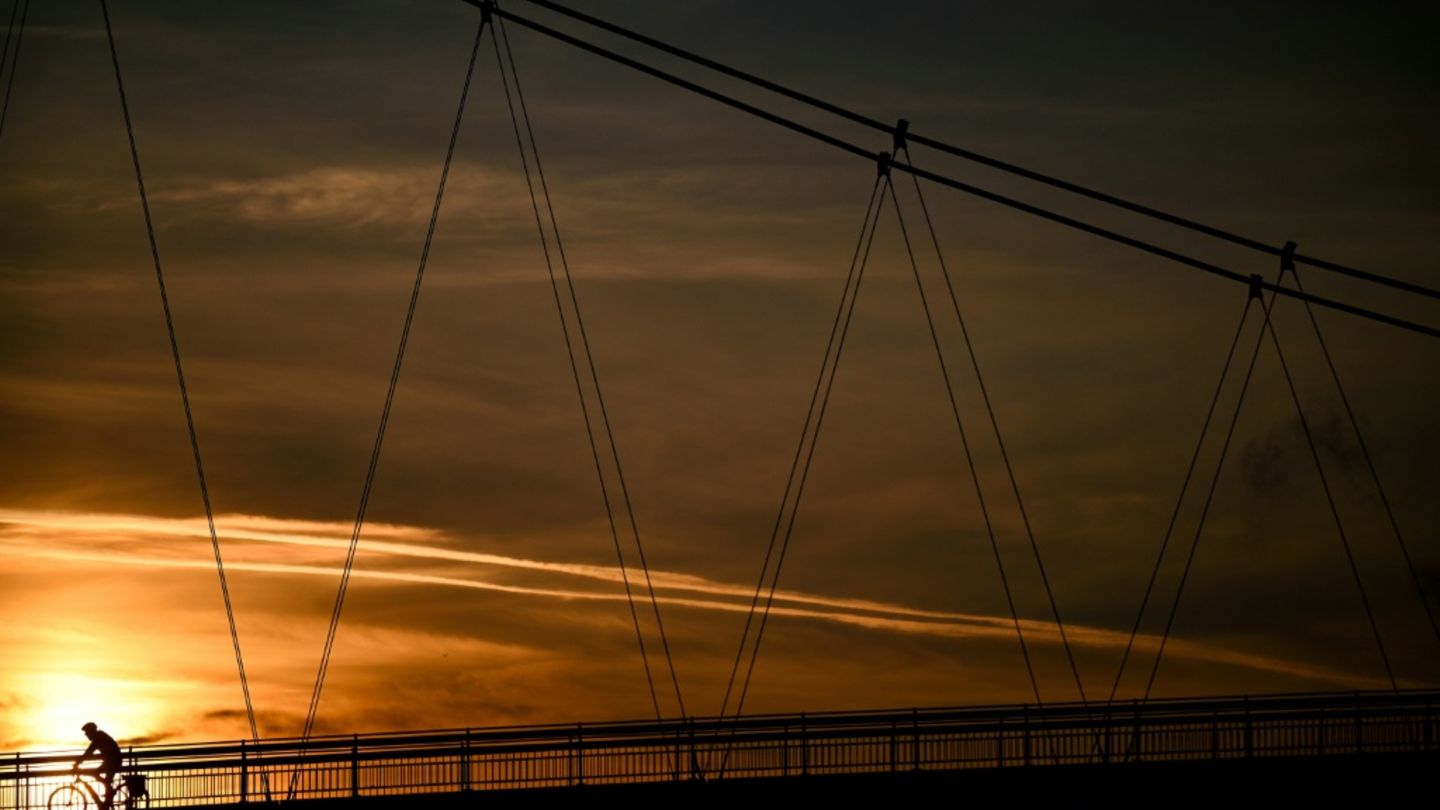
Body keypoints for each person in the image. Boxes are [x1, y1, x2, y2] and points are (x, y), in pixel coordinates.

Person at [73, 722, 123, 809]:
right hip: (111, 761)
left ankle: (108, 795)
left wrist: (77, 762)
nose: (86, 734)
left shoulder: (98, 738)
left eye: (86, 732)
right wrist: (79, 761)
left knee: (98, 774)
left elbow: (88, 753)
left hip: (113, 761)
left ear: (91, 731)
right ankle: (108, 791)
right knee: (98, 775)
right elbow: (89, 753)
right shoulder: (99, 736)